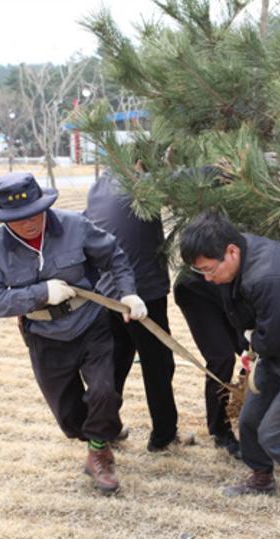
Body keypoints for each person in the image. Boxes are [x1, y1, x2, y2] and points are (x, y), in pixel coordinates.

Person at [0, 172, 148, 494]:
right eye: (18, 218)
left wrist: (128, 292)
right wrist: (40, 293)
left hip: (90, 323)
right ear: (4, 219)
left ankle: (99, 451)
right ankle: (101, 429)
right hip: (44, 333)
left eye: (34, 213)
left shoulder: (74, 225)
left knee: (103, 391)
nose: (29, 222)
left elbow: (115, 256)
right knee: (69, 416)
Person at [179, 211, 280, 501]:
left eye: (209, 269)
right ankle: (261, 477)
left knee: (273, 433)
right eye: (201, 271)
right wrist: (251, 347)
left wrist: (255, 346)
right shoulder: (241, 254)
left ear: (230, 252)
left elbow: (279, 335)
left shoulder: (268, 277)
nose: (207, 278)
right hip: (279, 347)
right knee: (249, 421)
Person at [84, 169, 193, 452]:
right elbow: (187, 180)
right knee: (158, 365)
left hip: (107, 292)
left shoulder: (99, 186)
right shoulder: (141, 183)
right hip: (141, 292)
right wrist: (222, 170)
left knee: (115, 363)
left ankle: (105, 429)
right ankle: (163, 436)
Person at [173, 270, 244, 458]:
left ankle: (253, 418)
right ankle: (220, 430)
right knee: (222, 358)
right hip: (197, 287)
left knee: (251, 350)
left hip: (231, 287)